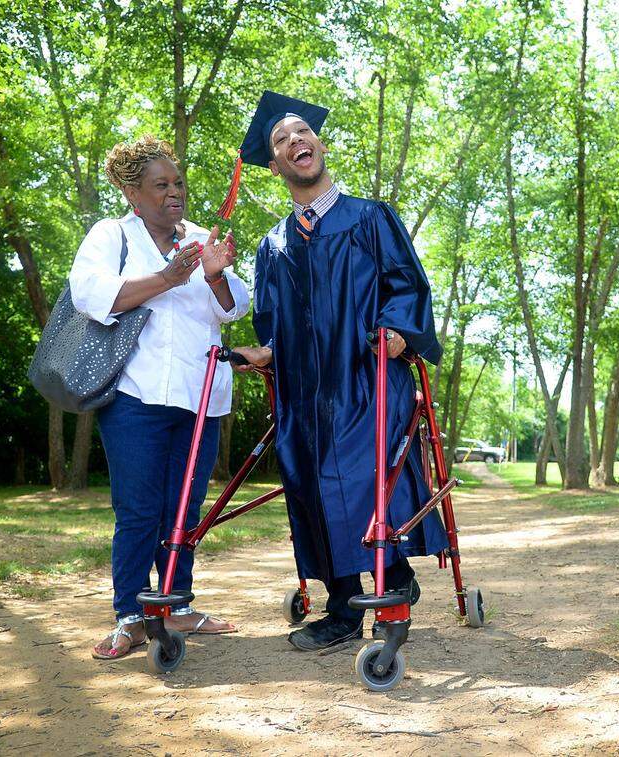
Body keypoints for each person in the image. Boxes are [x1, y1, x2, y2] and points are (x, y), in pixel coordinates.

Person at [232, 92, 449, 651]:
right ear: (274, 163)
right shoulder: (272, 245)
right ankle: (342, 608)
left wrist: (400, 329)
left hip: (367, 376)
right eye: (281, 140)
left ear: (320, 144)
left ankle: (393, 575)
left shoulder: (371, 218)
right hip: (304, 390)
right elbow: (272, 322)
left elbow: (406, 285)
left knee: (362, 467)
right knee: (307, 479)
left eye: (303, 133)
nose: (295, 142)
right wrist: (267, 352)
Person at [67, 135, 250, 660]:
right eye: (160, 185)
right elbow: (91, 295)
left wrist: (213, 276)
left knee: (184, 511)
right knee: (139, 509)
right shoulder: (111, 236)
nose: (174, 193)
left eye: (178, 184)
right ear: (132, 193)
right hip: (134, 397)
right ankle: (130, 615)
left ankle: (176, 605)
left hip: (199, 398)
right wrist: (168, 278)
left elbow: (234, 307)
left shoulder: (199, 237)